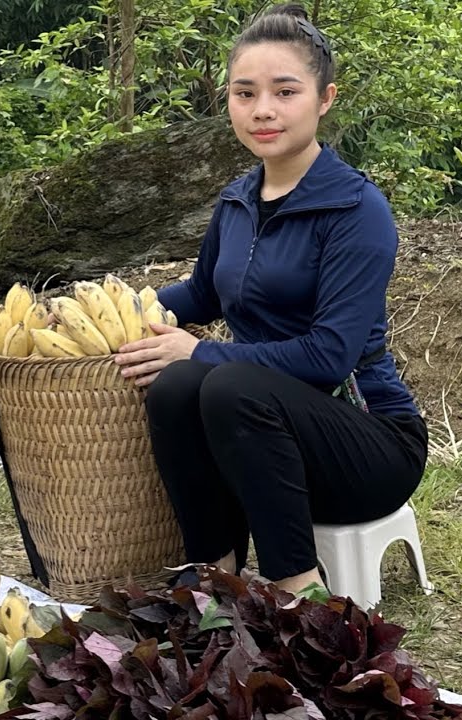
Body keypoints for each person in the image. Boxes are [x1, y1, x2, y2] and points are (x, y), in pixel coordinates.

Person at [113, 4, 427, 596]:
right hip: (261, 437)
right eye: (245, 93)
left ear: (324, 98)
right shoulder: (237, 201)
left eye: (285, 91)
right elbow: (203, 292)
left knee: (223, 382)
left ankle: (295, 593)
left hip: (367, 443)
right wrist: (120, 305)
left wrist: (201, 353)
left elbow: (331, 356)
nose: (263, 110)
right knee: (178, 385)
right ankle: (215, 580)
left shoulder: (356, 210)